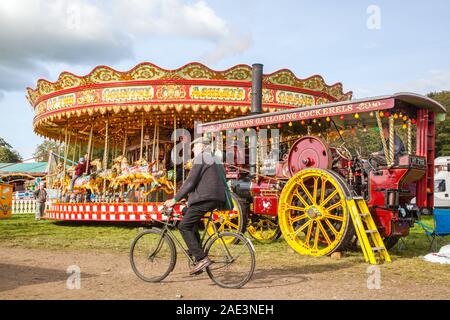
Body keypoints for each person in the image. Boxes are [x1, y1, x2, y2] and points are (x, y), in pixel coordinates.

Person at [163, 136, 226, 275]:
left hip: (206, 198)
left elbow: (190, 182)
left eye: (195, 146)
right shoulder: (211, 158)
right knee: (187, 213)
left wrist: (174, 200)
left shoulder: (202, 157)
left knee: (183, 226)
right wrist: (189, 200)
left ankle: (201, 258)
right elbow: (201, 183)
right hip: (212, 197)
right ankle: (195, 251)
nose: (192, 149)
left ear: (203, 146)